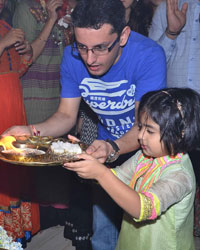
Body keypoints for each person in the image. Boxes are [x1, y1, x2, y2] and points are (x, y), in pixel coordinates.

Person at [3, 0, 166, 249]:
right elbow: (66, 116)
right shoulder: (72, 58)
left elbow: (145, 127)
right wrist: (31, 131)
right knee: (102, 234)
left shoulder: (148, 56)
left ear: (122, 36)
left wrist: (113, 147)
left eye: (100, 47)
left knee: (145, 235)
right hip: (103, 149)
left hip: (147, 154)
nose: (90, 59)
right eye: (83, 47)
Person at [65, 88, 200, 250]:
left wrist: (100, 173)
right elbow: (116, 177)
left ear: (180, 134)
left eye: (150, 131)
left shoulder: (179, 174)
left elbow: (144, 208)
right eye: (141, 127)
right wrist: (81, 158)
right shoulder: (144, 156)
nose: (141, 136)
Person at [12, 0, 78, 232]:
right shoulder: (25, 8)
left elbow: (69, 54)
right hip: (33, 93)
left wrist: (71, 24)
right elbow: (25, 58)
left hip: (60, 94)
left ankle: (58, 218)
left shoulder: (65, 6)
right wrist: (51, 20)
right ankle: (38, 220)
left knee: (58, 157)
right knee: (36, 159)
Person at [148, 0, 200, 236]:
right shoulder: (165, 8)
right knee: (172, 181)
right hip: (175, 113)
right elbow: (152, 61)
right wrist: (172, 32)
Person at [0, 0, 40, 246]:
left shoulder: (5, 24)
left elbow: (19, 69)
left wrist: (24, 51)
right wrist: (4, 43)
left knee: (14, 167)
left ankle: (14, 236)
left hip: (13, 106)